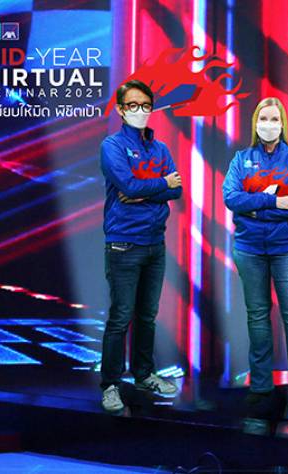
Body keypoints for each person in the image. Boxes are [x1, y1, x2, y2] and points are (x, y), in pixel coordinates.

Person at [222, 97, 288, 421]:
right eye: (263, 118)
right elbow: (231, 198)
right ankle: (261, 386)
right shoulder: (241, 159)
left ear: (283, 124)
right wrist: (275, 202)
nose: (269, 124)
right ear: (255, 123)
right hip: (250, 249)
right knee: (258, 317)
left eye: (274, 119)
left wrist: (254, 209)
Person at [99, 79, 182, 412]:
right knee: (121, 317)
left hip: (154, 244)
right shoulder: (112, 146)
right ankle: (110, 384)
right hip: (123, 244)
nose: (140, 111)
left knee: (147, 315)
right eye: (132, 105)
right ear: (121, 110)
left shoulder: (160, 149)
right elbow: (129, 186)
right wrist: (159, 184)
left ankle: (144, 374)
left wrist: (142, 190)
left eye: (145, 105)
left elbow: (176, 189)